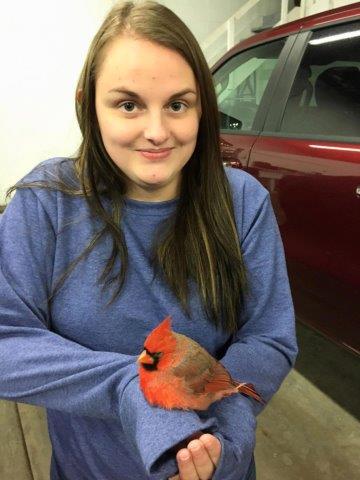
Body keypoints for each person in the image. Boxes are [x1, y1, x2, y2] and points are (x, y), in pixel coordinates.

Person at [0, 1, 298, 479]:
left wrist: (225, 436)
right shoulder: (47, 202)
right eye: (128, 104)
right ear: (87, 104)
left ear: (202, 107)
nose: (156, 133)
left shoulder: (242, 201)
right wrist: (130, 388)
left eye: (177, 105)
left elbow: (269, 337)